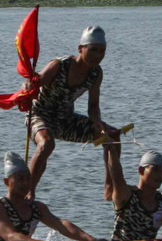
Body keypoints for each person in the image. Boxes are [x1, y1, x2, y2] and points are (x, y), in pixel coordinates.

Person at [24, 25, 114, 192]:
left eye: (102, 51)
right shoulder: (60, 65)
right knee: (47, 144)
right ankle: (28, 192)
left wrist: (97, 123)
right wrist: (29, 84)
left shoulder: (96, 73)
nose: (98, 56)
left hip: (65, 120)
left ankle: (111, 187)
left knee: (112, 137)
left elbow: (93, 106)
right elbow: (36, 81)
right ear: (81, 48)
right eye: (93, 50)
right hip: (39, 116)